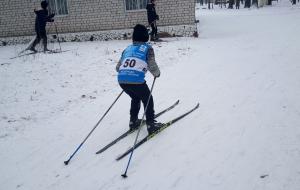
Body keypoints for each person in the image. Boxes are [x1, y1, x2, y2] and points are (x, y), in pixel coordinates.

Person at [116, 24, 162, 135]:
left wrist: (127, 72)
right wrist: (157, 73)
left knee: (135, 97)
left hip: (122, 80)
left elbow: (118, 67)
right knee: (148, 99)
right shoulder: (148, 48)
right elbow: (151, 64)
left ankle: (133, 121)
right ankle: (151, 125)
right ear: (146, 36)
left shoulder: (127, 49)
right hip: (136, 80)